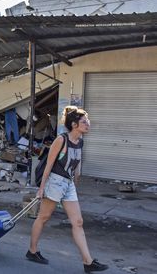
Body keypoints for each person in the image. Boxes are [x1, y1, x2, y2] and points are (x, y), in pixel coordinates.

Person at [26, 106, 108, 273]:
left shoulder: (81, 142)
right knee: (43, 217)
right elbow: (48, 164)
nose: (88, 124)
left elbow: (76, 164)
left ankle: (88, 262)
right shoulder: (61, 140)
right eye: (84, 122)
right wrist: (41, 188)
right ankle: (32, 251)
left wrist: (75, 181)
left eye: (88, 121)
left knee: (78, 222)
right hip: (55, 182)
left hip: (68, 185)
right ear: (74, 125)